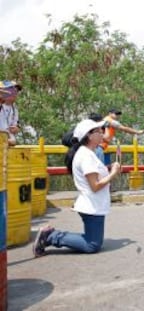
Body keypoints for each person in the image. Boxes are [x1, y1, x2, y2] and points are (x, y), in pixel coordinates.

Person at [32, 119, 121, 257]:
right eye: (98, 131)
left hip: (94, 204)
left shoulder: (88, 153)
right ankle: (51, 236)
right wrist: (113, 173)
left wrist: (109, 169)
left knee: (94, 242)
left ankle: (52, 236)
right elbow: (95, 186)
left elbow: (95, 177)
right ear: (89, 136)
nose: (101, 133)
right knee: (92, 245)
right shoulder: (86, 156)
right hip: (92, 205)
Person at [0, 80, 22, 146]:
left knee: (12, 141)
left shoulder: (14, 108)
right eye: (11, 90)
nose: (15, 93)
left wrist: (16, 129)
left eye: (16, 91)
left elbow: (16, 124)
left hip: (7, 138)